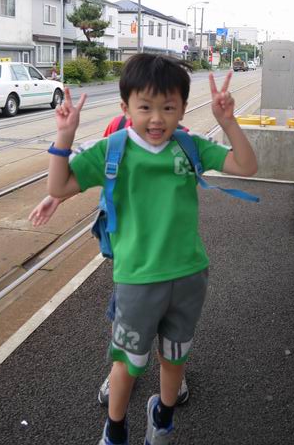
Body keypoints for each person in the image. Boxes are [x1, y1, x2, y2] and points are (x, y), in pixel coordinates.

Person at [46, 53, 257, 445]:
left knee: (175, 358)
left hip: (189, 276)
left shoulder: (189, 146)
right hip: (137, 280)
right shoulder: (113, 150)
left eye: (168, 108)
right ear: (125, 107)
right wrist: (65, 135)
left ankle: (162, 418)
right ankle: (115, 429)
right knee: (128, 363)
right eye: (145, 107)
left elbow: (246, 167)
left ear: (182, 109)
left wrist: (228, 121)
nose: (157, 119)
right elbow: (58, 187)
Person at [29, 116, 190, 408]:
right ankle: (123, 369)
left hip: (166, 251)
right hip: (127, 249)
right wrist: (56, 197)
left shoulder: (178, 136)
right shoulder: (116, 127)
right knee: (124, 311)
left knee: (169, 316)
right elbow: (93, 168)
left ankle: (173, 372)